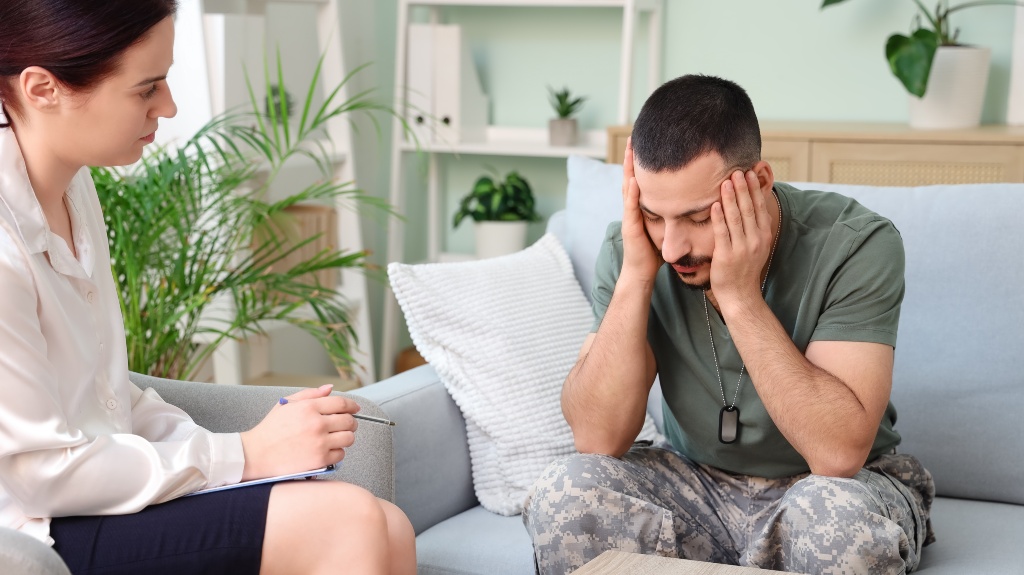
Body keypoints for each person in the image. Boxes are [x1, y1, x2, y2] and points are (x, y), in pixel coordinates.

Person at [0, 1, 414, 573]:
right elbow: (38, 475)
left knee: (389, 525)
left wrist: (256, 450)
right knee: (349, 522)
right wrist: (243, 454)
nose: (168, 107)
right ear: (43, 88)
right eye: (147, 88)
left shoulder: (73, 189)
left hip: (94, 501)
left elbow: (106, 395)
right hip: (34, 530)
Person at [523, 74, 935, 575]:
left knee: (837, 523)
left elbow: (838, 453)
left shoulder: (857, 244)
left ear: (757, 183)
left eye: (698, 218)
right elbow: (597, 438)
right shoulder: (639, 251)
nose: (673, 247)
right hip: (696, 481)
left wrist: (739, 297)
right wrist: (635, 276)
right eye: (654, 215)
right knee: (563, 494)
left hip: (832, 488)